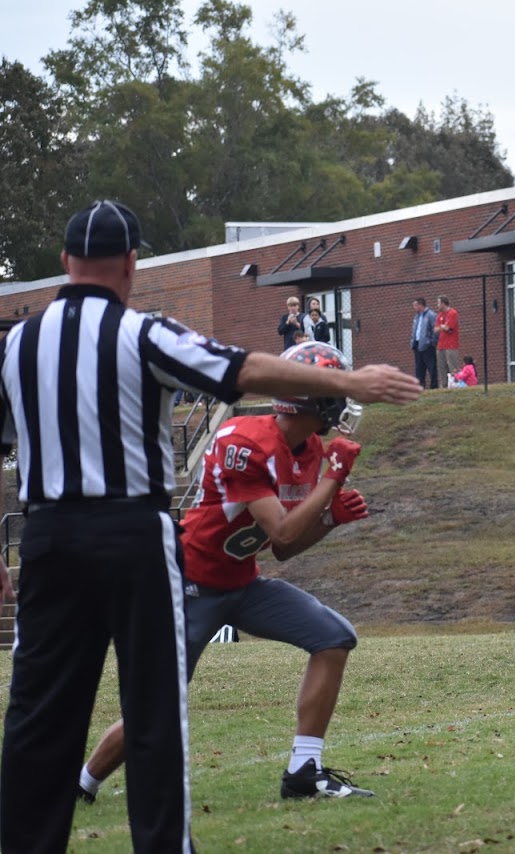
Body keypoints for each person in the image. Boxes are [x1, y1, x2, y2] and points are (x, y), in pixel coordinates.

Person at [0, 200, 420, 853]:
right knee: (154, 711)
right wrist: (356, 381)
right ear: (132, 264)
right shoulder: (143, 332)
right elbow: (243, 370)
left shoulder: (17, 343)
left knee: (37, 714)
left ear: (63, 262)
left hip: (48, 535)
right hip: (131, 533)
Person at [77, 340, 379, 805]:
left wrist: (331, 519)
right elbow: (279, 531)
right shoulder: (244, 439)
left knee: (333, 636)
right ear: (314, 398)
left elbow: (285, 549)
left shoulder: (311, 447)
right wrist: (331, 484)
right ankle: (81, 785)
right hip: (190, 584)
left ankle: (303, 771)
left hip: (241, 581)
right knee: (157, 704)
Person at [410, 297, 438, 390]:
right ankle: (420, 386)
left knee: (431, 366)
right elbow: (415, 330)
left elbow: (435, 330)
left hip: (428, 346)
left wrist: (431, 342)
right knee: (419, 368)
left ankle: (434, 386)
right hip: (417, 344)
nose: (414, 307)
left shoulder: (431, 315)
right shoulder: (417, 316)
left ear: (420, 305)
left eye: (415, 305)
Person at [435, 295, 461, 379]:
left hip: (451, 345)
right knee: (442, 367)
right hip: (441, 345)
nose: (437, 305)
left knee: (452, 366)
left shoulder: (452, 313)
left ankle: (456, 384)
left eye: (438, 303)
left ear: (443, 303)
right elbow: (435, 329)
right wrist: (443, 327)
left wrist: (443, 327)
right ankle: (444, 386)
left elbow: (448, 327)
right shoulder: (440, 315)